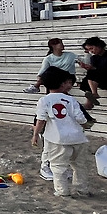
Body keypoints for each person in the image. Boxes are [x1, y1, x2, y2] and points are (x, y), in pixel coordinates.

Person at [31, 67, 92, 198]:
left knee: (58, 167)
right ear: (62, 84)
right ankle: (82, 190)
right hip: (78, 138)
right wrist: (85, 126)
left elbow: (40, 120)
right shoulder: (71, 99)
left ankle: (62, 191)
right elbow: (81, 118)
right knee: (80, 165)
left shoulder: (44, 100)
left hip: (57, 139)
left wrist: (35, 135)